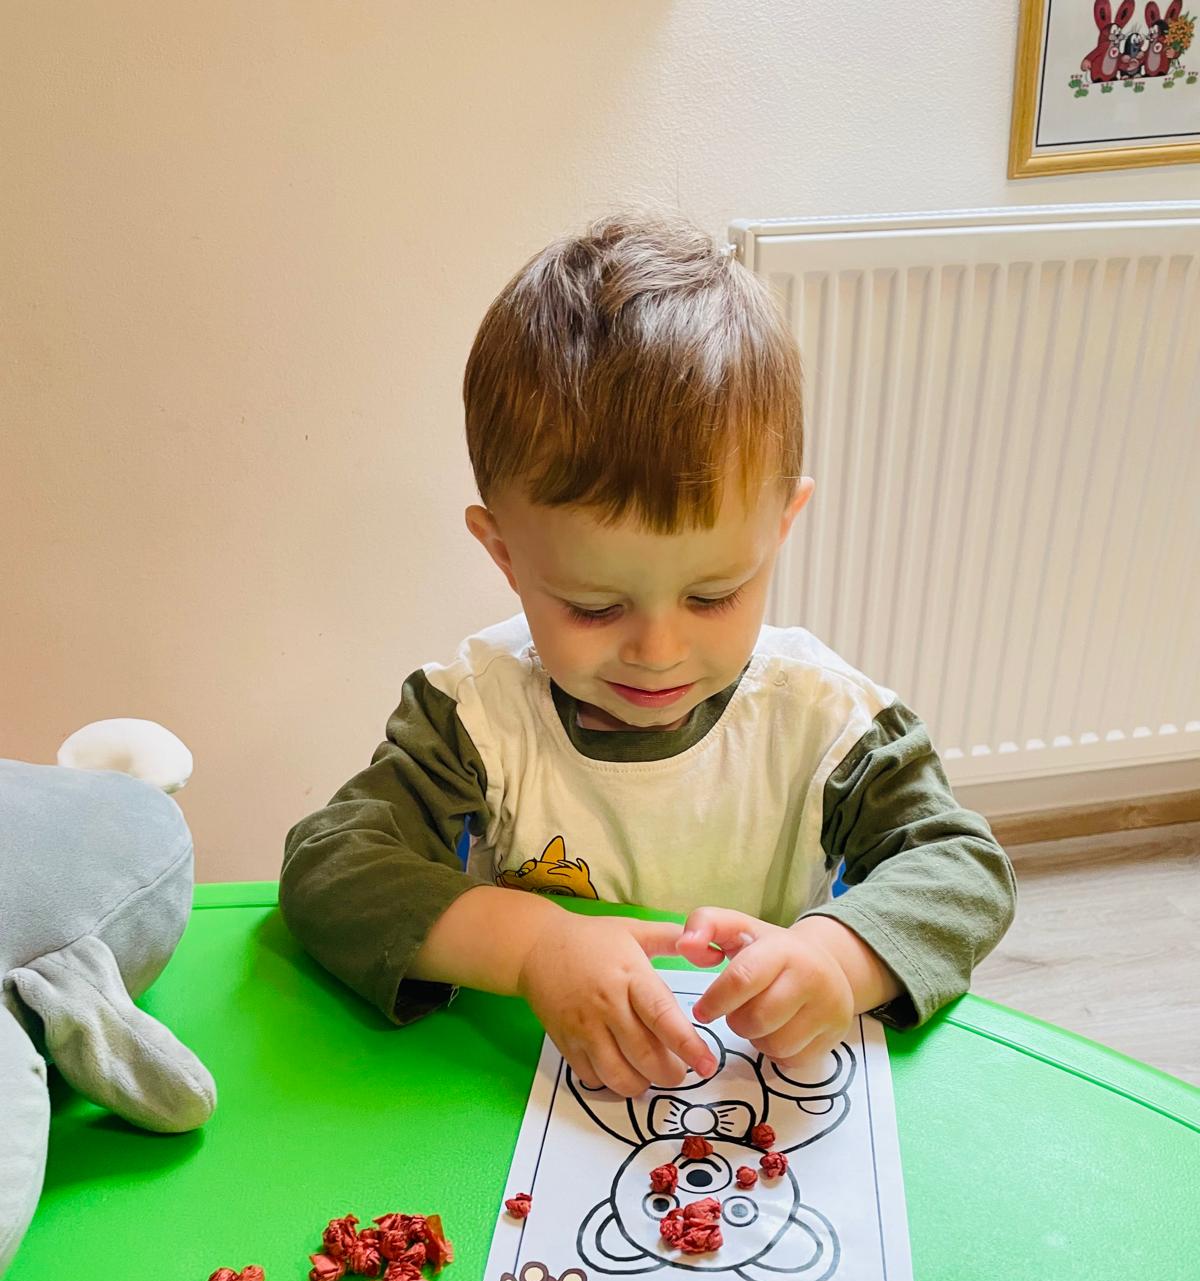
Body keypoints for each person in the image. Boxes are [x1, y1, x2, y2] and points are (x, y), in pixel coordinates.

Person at [279, 210, 1016, 1098]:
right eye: (593, 607)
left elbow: (962, 866)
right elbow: (331, 865)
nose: (659, 652)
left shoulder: (829, 723)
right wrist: (535, 947)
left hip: (744, 1090)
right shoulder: (473, 716)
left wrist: (838, 956)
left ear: (781, 527)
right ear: (505, 554)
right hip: (522, 1095)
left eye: (713, 595)